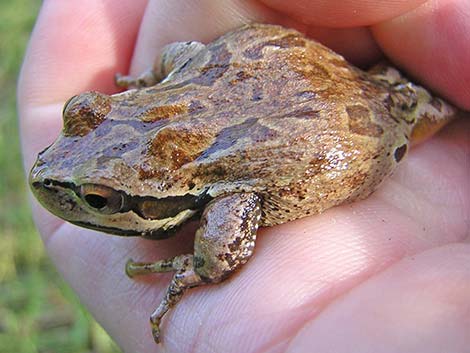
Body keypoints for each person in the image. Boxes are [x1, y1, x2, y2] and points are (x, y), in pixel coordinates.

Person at [18, 1, 469, 352]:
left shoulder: (203, 175)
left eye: (98, 198)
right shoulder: (174, 87)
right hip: (298, 77)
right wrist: (157, 79)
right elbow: (186, 54)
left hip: (357, 132)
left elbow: (237, 214)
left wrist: (204, 264)